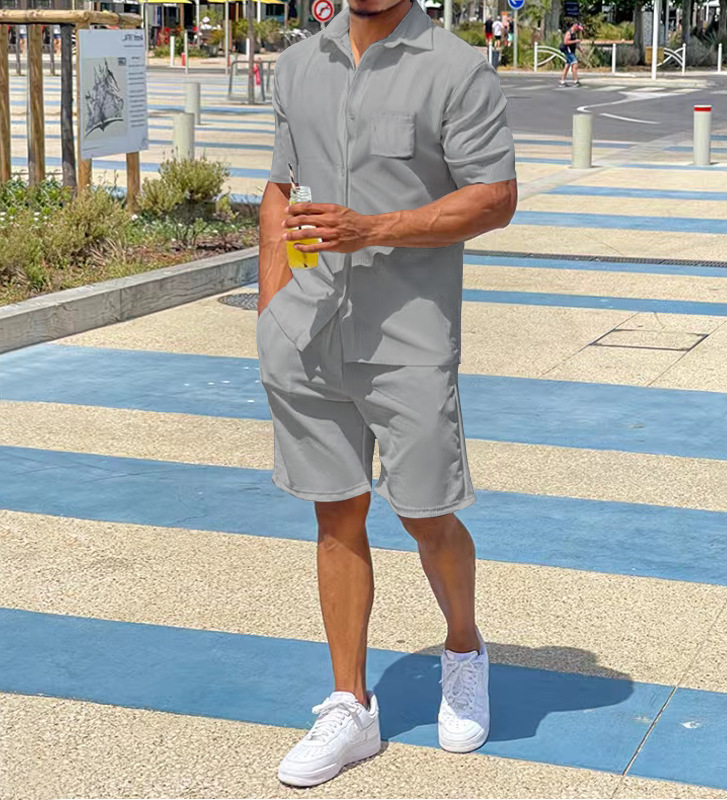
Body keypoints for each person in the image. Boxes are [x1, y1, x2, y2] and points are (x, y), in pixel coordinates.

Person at [257, 0, 517, 787]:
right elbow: (279, 188)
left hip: (409, 338)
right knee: (335, 516)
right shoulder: (297, 66)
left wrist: (372, 229)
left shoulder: (457, 69)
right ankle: (350, 705)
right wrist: (271, 308)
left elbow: (495, 197)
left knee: (427, 515)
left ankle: (464, 651)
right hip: (308, 332)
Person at [559, 21, 583, 87]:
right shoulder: (569, 33)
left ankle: (562, 81)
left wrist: (580, 49)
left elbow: (575, 43)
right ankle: (575, 81)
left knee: (567, 65)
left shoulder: (574, 33)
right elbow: (566, 42)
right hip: (568, 50)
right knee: (575, 64)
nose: (578, 30)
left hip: (571, 50)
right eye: (578, 28)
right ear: (575, 26)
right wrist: (576, 41)